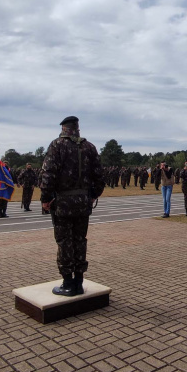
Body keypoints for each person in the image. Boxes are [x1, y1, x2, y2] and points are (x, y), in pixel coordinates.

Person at [40, 116, 105, 296]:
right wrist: (92, 195)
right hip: (83, 204)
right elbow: (100, 176)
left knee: (65, 242)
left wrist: (45, 198)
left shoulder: (57, 145)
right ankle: (79, 282)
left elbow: (48, 174)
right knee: (80, 240)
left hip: (62, 204)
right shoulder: (89, 147)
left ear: (64, 129)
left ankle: (68, 283)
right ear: (77, 129)